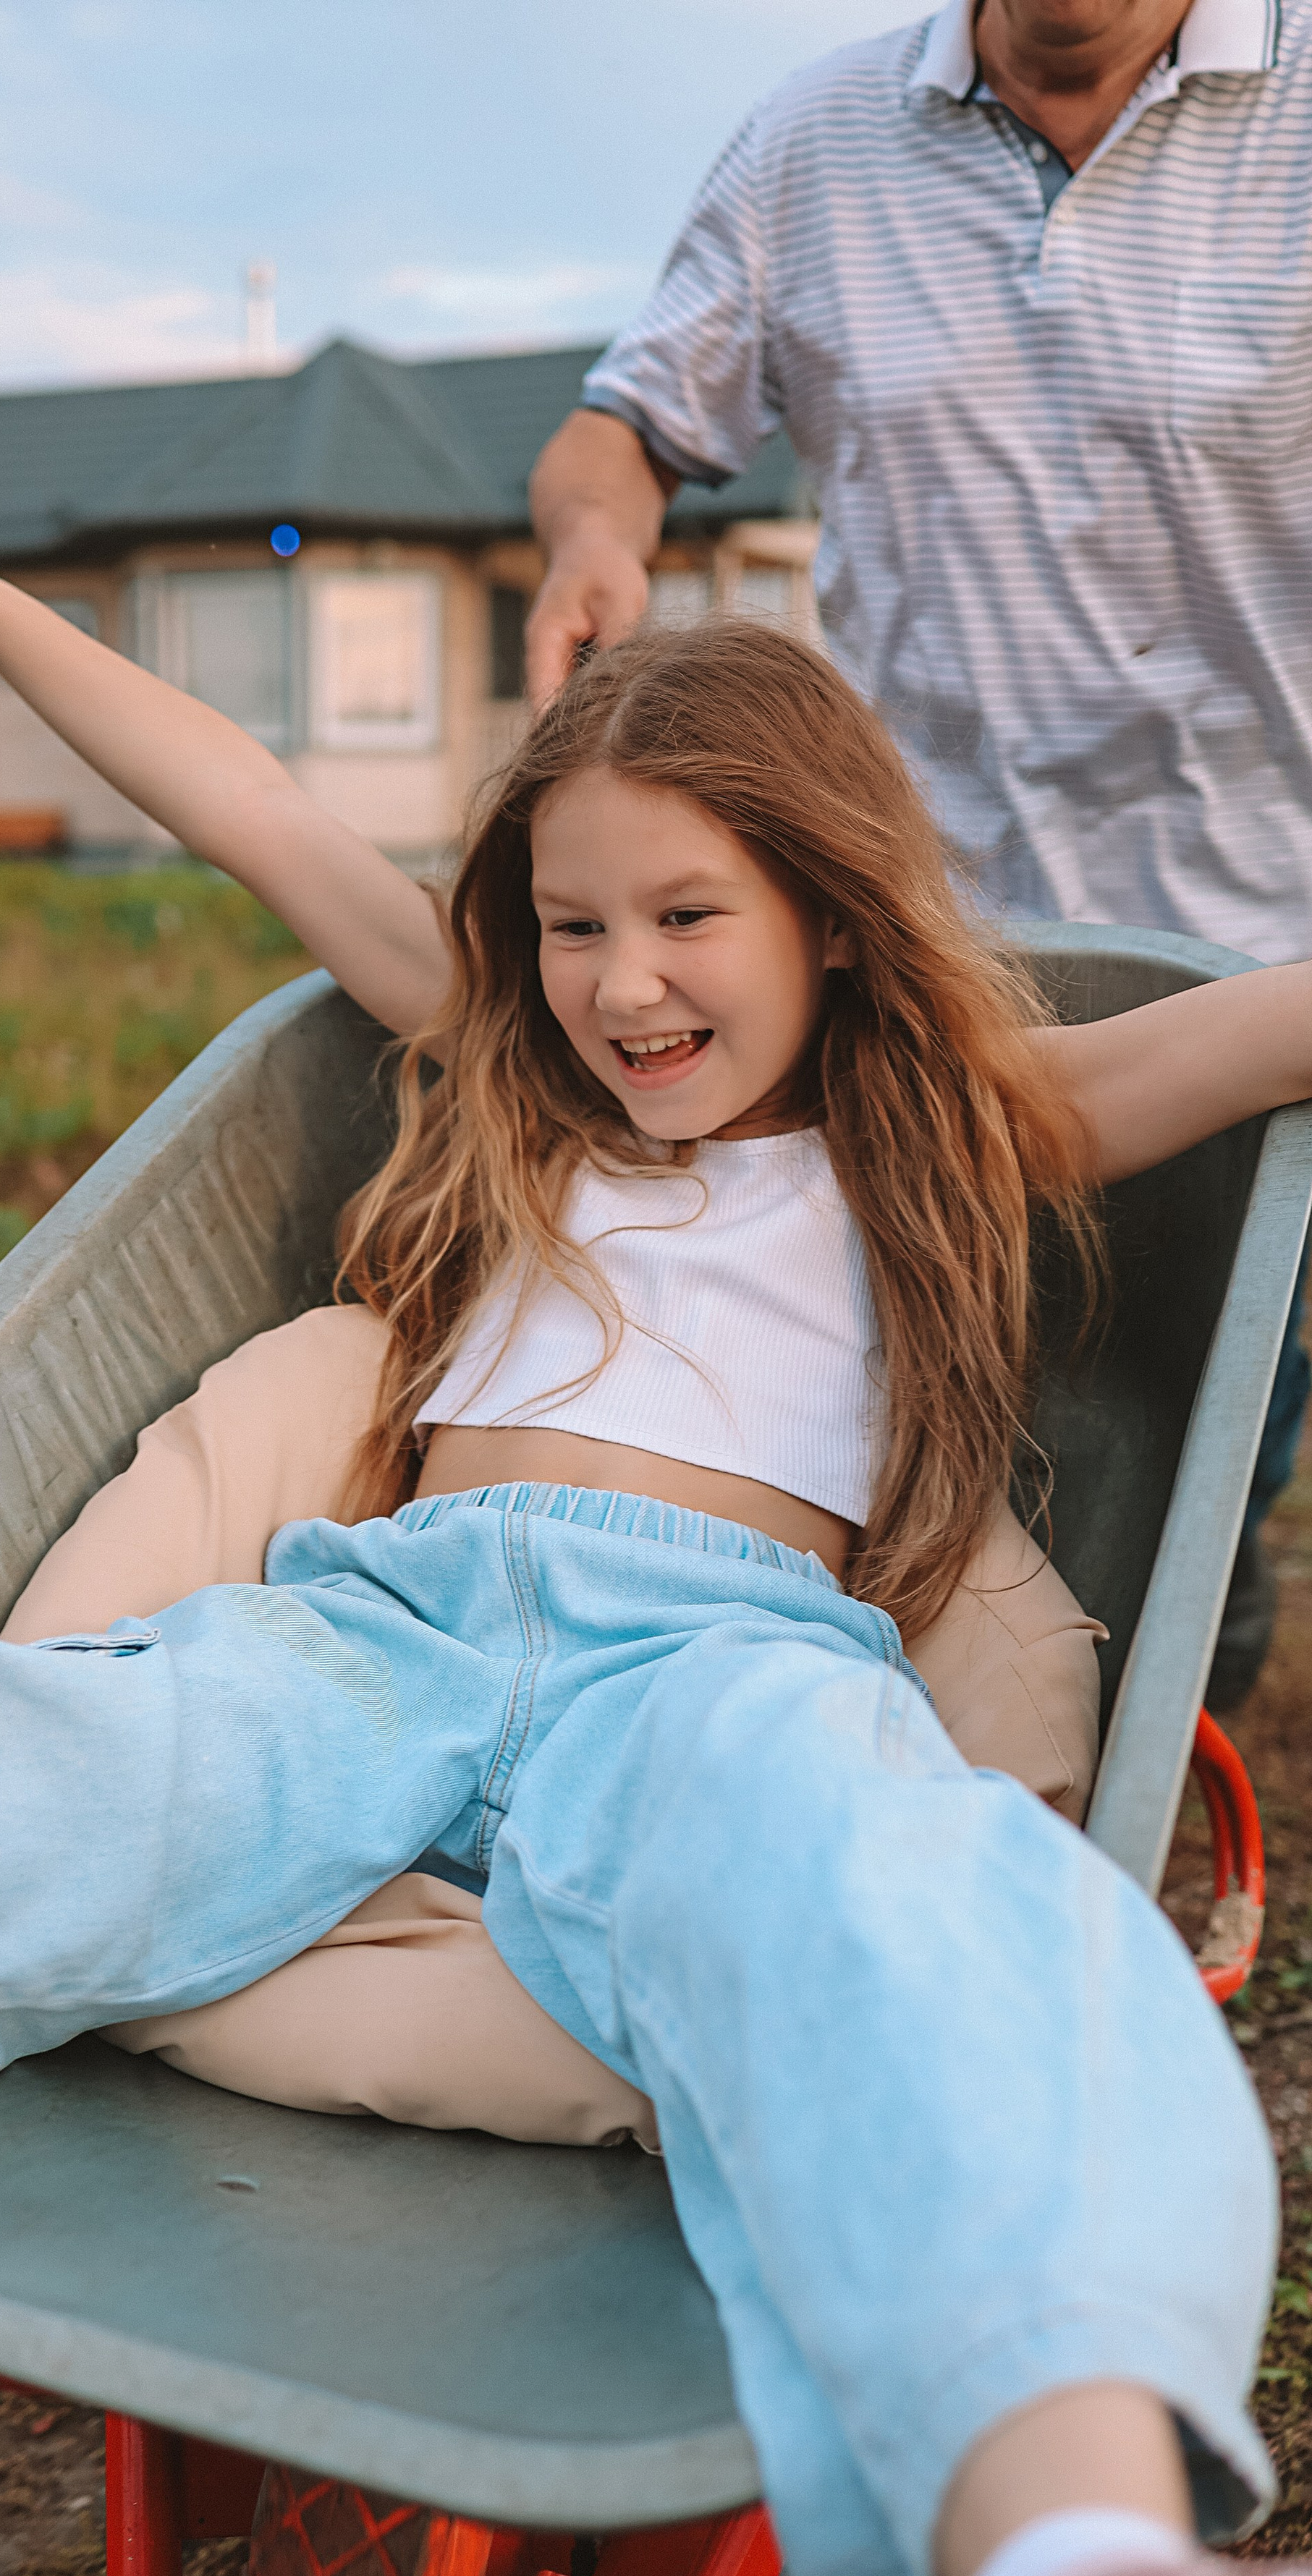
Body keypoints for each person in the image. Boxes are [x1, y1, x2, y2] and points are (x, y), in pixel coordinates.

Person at [0, 521, 1312, 2576]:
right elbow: (251, 806)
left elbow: (1279, 1016)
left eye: (688, 919)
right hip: (399, 1620)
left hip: (726, 1663)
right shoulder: (513, 1077)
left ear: (832, 911)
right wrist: (11, 626)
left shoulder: (960, 1125)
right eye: (571, 926)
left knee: (910, 1902)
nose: (624, 985)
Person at [525, 0, 1312, 1713]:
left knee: (1215, 1390)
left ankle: (1185, 1661)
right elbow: (625, 426)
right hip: (921, 937)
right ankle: (938, 1686)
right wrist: (597, 537)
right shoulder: (817, 142)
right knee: (936, 1376)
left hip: (1260, 918)